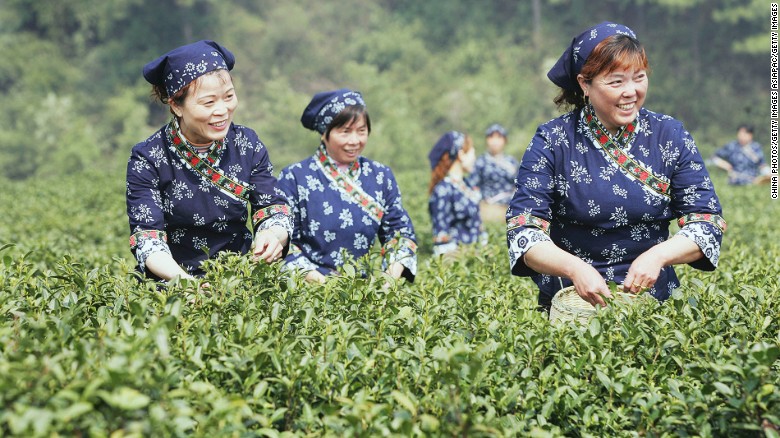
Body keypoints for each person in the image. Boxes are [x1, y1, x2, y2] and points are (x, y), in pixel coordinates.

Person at [506, 22, 726, 312]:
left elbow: (707, 222)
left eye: (639, 77)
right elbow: (523, 231)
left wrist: (658, 256)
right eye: (616, 81)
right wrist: (575, 269)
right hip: (572, 304)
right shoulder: (553, 140)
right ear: (585, 83)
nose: (631, 91)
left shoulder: (669, 135)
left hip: (654, 303)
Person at [126, 40, 292, 282]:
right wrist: (185, 285)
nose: (223, 110)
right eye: (208, 102)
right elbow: (147, 240)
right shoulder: (149, 158)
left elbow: (272, 208)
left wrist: (272, 235)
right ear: (176, 105)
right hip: (174, 281)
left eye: (228, 97)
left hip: (241, 277)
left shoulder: (247, 144)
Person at [277, 89, 417, 283]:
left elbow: (399, 232)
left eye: (361, 131)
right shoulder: (294, 177)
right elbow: (283, 241)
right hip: (308, 292)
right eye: (345, 132)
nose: (354, 141)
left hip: (361, 295)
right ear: (324, 134)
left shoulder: (380, 176)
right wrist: (318, 282)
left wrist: (389, 278)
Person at [428, 131, 487, 256]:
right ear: (461, 154)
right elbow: (441, 236)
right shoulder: (443, 190)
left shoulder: (467, 185)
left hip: (477, 259)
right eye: (472, 152)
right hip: (458, 263)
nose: (474, 158)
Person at [468, 123, 519, 222]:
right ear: (487, 140)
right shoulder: (481, 161)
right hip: (486, 210)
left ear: (505, 140)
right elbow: (472, 185)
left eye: (499, 137)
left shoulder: (511, 162)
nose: (495, 141)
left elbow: (519, 185)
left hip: (510, 211)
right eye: (491, 137)